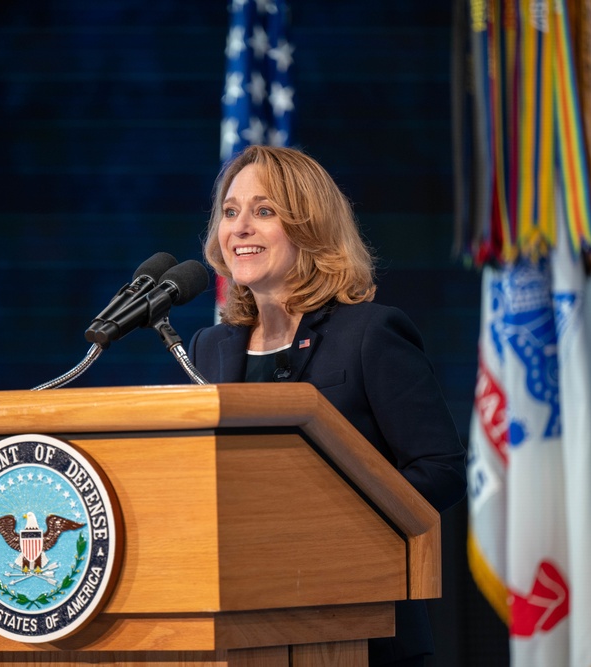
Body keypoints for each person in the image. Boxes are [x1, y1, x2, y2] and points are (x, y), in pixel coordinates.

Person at [188, 145, 467, 666]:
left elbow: (441, 469)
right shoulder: (210, 347)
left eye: (264, 211)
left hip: (360, 628)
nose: (240, 227)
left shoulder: (367, 333)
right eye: (230, 212)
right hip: (238, 628)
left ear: (309, 227)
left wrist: (332, 522)